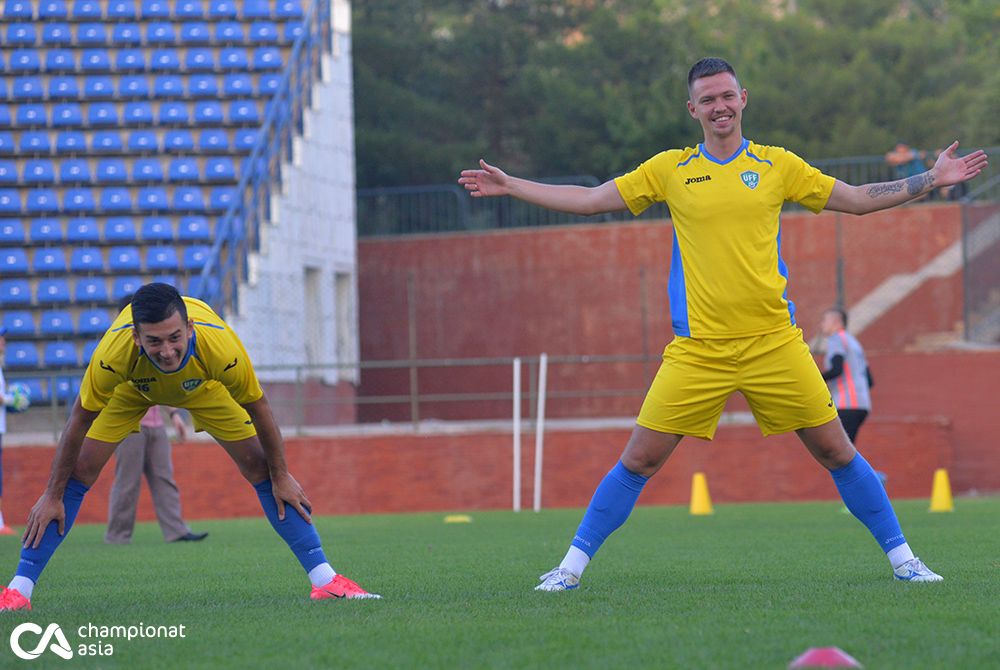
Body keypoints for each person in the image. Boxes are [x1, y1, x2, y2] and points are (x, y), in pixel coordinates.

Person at [458, 57, 988, 590]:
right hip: (698, 350)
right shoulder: (671, 169)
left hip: (775, 345)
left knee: (837, 452)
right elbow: (594, 200)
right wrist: (515, 186)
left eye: (727, 96)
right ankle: (568, 570)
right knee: (639, 460)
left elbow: (853, 200)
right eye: (708, 99)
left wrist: (930, 180)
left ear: (743, 99)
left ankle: (905, 562)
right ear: (693, 109)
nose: (719, 106)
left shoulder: (778, 165)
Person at [0, 283, 380, 611]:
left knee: (260, 466)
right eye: (154, 341)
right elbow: (77, 422)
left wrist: (281, 475)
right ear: (135, 337)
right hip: (132, 389)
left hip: (203, 386)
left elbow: (259, 408)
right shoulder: (112, 354)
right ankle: (19, 591)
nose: (166, 351)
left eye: (174, 338)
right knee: (77, 472)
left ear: (190, 328)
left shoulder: (220, 346)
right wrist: (52, 493)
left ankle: (326, 581)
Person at [105, 405, 209, 544]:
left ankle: (177, 532)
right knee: (128, 482)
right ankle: (117, 536)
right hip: (129, 424)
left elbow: (160, 389)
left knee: (164, 480)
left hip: (157, 425)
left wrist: (174, 414)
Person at [819, 308, 873, 445]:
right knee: (846, 452)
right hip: (862, 404)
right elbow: (870, 380)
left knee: (839, 454)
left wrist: (815, 380)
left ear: (836, 322)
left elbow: (837, 369)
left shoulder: (836, 339)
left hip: (846, 404)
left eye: (824, 320)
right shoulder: (854, 343)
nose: (822, 324)